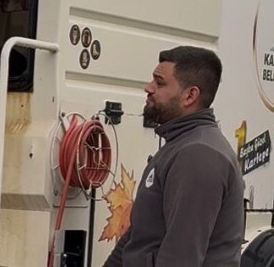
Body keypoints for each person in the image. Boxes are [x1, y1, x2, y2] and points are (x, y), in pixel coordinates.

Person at [104, 46, 244, 267]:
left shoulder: (199, 154)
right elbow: (139, 236)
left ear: (190, 95)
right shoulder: (181, 144)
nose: (148, 88)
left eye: (159, 83)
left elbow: (180, 258)